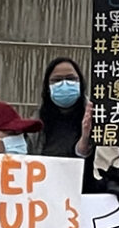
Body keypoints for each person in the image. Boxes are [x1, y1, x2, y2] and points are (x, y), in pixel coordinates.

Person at [29, 57, 98, 192]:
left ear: (81, 83)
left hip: (86, 196)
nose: (64, 84)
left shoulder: (93, 117)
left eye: (71, 79)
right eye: (57, 80)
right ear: (47, 87)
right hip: (44, 196)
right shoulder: (37, 122)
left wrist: (85, 139)